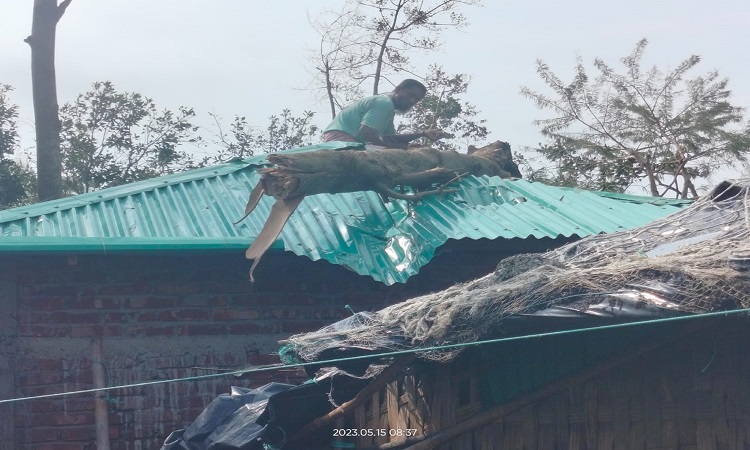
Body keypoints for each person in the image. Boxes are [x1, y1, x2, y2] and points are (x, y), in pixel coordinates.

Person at [322, 79, 451, 149]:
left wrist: (423, 134)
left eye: (416, 99)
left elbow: (390, 138)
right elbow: (366, 133)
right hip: (341, 140)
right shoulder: (384, 103)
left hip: (349, 141)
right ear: (399, 89)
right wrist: (392, 148)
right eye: (410, 95)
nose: (412, 101)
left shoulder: (388, 109)